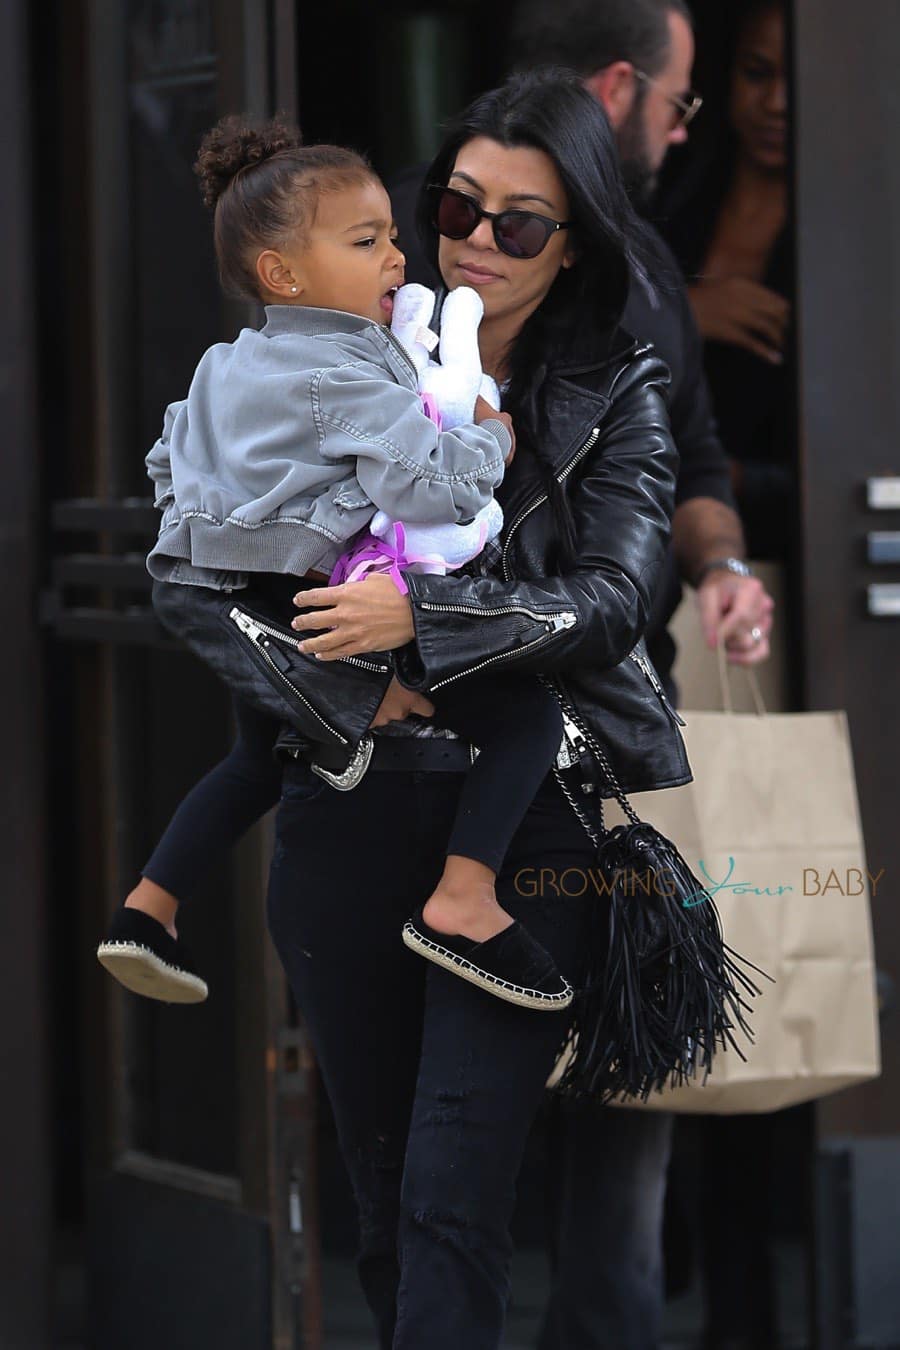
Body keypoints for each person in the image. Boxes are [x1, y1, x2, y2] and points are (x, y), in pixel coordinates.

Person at [263, 67, 697, 1348]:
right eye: (458, 207)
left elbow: (613, 597)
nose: (475, 244)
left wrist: (428, 620)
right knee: (391, 1200)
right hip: (353, 807)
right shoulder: (324, 359)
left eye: (520, 224)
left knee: (458, 1189)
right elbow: (227, 559)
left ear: (572, 251)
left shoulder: (616, 389)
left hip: (531, 827)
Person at [96, 115, 574, 1013]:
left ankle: (146, 907)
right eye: (367, 241)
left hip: (228, 588)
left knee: (250, 761)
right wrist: (491, 438)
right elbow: (432, 489)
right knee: (524, 720)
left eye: (392, 235)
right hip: (318, 595)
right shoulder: (346, 374)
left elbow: (168, 460)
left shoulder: (222, 363)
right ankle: (463, 902)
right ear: (283, 273)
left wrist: (212, 529)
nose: (398, 257)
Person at [660, 0, 792, 564]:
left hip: (789, 557)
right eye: (758, 73)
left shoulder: (854, 243)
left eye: (798, 78)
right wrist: (685, 310)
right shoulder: (672, 197)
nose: (777, 104)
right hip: (646, 538)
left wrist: (737, 478)